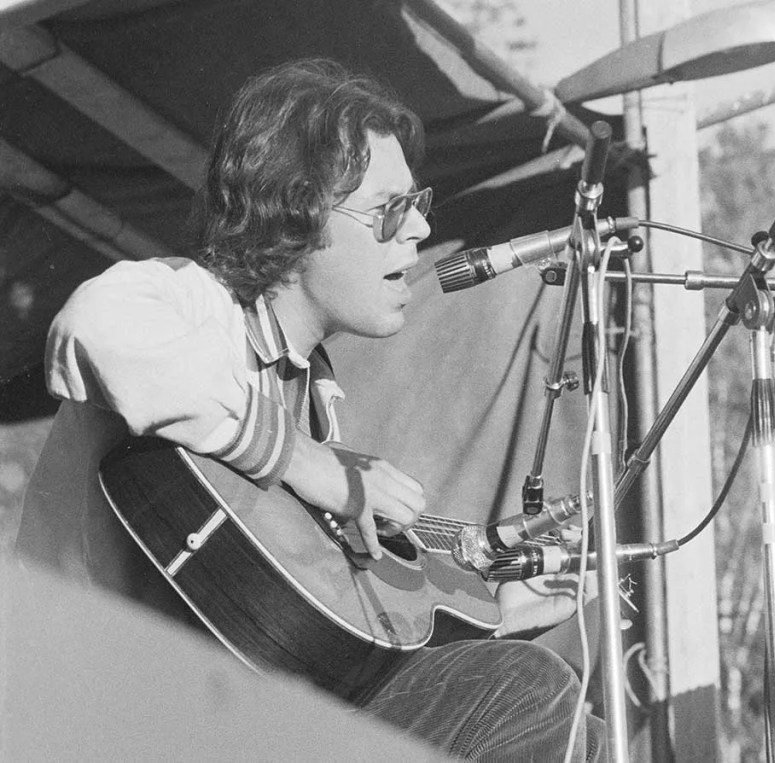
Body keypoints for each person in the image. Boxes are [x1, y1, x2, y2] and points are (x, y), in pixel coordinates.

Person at [17, 58, 605, 761]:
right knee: (526, 690)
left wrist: (488, 609)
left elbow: (291, 630)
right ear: (297, 212)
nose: (419, 226)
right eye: (391, 208)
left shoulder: (316, 396)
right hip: (97, 723)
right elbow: (91, 325)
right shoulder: (193, 304)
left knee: (570, 721)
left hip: (222, 721)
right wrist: (310, 464)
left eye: (417, 201)